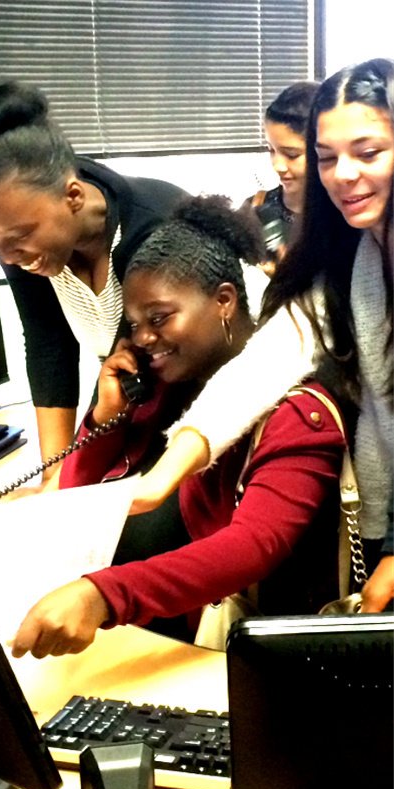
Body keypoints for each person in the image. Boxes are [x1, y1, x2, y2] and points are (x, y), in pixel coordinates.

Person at [9, 195, 346, 658]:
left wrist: (104, 596)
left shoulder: (297, 412)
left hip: (219, 657)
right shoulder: (164, 388)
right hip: (134, 641)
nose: (144, 338)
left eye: (160, 318)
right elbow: (77, 499)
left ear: (224, 300)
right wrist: (105, 420)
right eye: (135, 323)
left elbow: (253, 544)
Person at [128, 58, 393, 612]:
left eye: (367, 152)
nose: (343, 174)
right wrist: (165, 473)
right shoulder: (352, 258)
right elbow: (263, 362)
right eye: (326, 158)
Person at [0, 79, 187, 474]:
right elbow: (48, 348)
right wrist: (52, 475)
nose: (8, 258)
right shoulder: (24, 243)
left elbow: (125, 370)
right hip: (129, 403)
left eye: (19, 238)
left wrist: (70, 482)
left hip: (189, 412)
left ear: (73, 196)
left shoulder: (153, 231)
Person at [243, 80, 321, 271]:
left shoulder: (345, 216)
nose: (277, 165)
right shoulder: (255, 209)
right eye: (271, 150)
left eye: (291, 155)